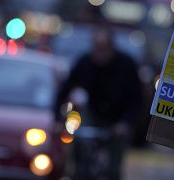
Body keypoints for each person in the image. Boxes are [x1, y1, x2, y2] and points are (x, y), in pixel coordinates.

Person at [55, 26, 141, 180]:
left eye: (103, 48)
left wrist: (125, 123)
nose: (99, 53)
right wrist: (57, 120)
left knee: (113, 168)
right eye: (96, 47)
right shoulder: (84, 63)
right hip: (92, 113)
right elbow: (64, 91)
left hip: (118, 118)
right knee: (79, 148)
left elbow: (136, 99)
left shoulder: (126, 65)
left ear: (111, 47)